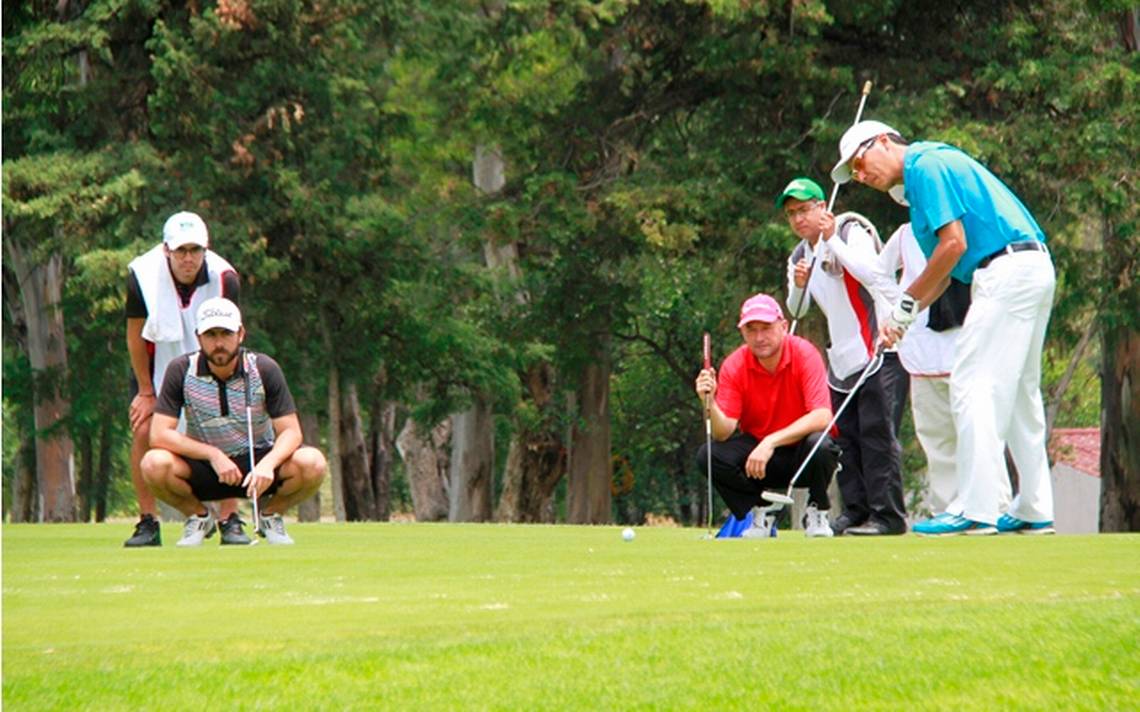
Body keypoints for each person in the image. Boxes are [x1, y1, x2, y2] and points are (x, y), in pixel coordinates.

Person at [832, 120, 1056, 535]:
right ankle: (1034, 507)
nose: (862, 176)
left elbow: (954, 245)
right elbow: (944, 275)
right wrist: (904, 315)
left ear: (883, 141)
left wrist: (903, 303)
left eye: (860, 163)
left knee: (971, 383)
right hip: (1029, 267)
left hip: (1006, 270)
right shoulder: (925, 176)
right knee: (1022, 392)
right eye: (855, 174)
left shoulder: (924, 165)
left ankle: (978, 507)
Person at [140, 297, 326, 546]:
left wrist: (268, 464)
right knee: (153, 464)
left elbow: (291, 432)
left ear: (240, 334)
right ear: (198, 337)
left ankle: (270, 516)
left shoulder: (263, 369)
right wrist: (213, 455)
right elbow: (159, 435)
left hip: (256, 462)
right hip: (205, 468)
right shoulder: (181, 370)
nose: (219, 343)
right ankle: (198, 516)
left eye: (226, 334)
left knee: (312, 462)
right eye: (211, 334)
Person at [780, 178, 907, 536]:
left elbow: (874, 275)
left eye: (805, 209)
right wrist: (800, 284)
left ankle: (888, 517)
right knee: (846, 440)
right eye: (792, 214)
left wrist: (832, 238)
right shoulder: (799, 256)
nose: (799, 219)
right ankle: (856, 510)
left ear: (822, 206)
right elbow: (797, 310)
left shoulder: (851, 229)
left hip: (881, 349)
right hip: (842, 359)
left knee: (877, 436)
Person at [124, 211, 247, 547]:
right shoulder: (142, 274)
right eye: (181, 251)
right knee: (143, 430)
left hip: (213, 361)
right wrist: (146, 391)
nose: (188, 258)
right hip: (157, 362)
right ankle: (148, 521)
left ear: (205, 249)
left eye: (195, 250)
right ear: (167, 250)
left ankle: (229, 518)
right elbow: (135, 336)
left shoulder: (225, 278)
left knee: (226, 427)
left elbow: (233, 335)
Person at [694, 292, 839, 538]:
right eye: (752, 330)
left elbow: (822, 416)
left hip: (803, 455)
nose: (759, 337)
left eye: (766, 328)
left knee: (821, 445)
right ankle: (762, 508)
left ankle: (817, 509)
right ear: (743, 333)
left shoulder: (804, 353)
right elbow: (723, 432)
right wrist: (709, 403)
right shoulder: (735, 364)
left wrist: (770, 441)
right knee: (709, 455)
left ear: (783, 327)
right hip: (760, 462)